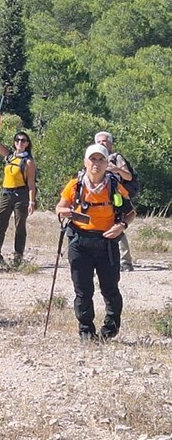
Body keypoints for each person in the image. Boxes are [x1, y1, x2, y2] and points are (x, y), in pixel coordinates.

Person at [55, 144, 135, 342]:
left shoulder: (114, 186)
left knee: (110, 288)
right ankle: (86, 332)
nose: (96, 164)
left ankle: (110, 329)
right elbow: (59, 207)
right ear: (85, 162)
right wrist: (64, 212)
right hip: (79, 242)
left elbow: (131, 212)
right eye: (93, 159)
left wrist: (121, 225)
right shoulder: (75, 185)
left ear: (107, 163)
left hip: (106, 242)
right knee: (83, 290)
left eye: (101, 159)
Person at [0, 113, 37, 266]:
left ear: (27, 143)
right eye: (17, 140)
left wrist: (32, 202)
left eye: (23, 140)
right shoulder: (9, 156)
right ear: (14, 143)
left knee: (20, 226)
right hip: (6, 194)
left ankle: (18, 257)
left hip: (21, 195)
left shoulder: (28, 162)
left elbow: (31, 184)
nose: (20, 142)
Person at [95, 131, 136, 272]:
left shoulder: (116, 158)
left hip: (115, 196)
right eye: (99, 141)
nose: (102, 144)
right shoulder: (94, 159)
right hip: (98, 198)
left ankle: (125, 262)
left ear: (111, 143)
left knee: (118, 225)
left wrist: (115, 169)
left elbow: (128, 177)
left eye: (104, 141)